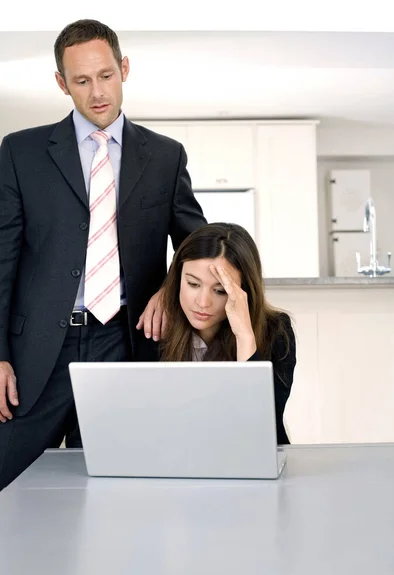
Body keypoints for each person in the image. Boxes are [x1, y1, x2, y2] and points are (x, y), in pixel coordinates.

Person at [0, 19, 206, 490]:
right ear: (61, 83)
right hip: (36, 354)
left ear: (124, 68)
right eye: (82, 80)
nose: (97, 92)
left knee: (119, 490)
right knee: (11, 481)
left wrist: (170, 290)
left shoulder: (165, 156)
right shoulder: (20, 152)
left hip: (125, 343)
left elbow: (199, 244)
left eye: (106, 75)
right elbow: (3, 260)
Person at [159, 223, 296, 444]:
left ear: (244, 291)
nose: (203, 302)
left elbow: (261, 423)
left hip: (251, 461)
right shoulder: (158, 327)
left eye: (220, 290)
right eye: (193, 284)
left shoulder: (276, 331)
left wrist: (244, 335)